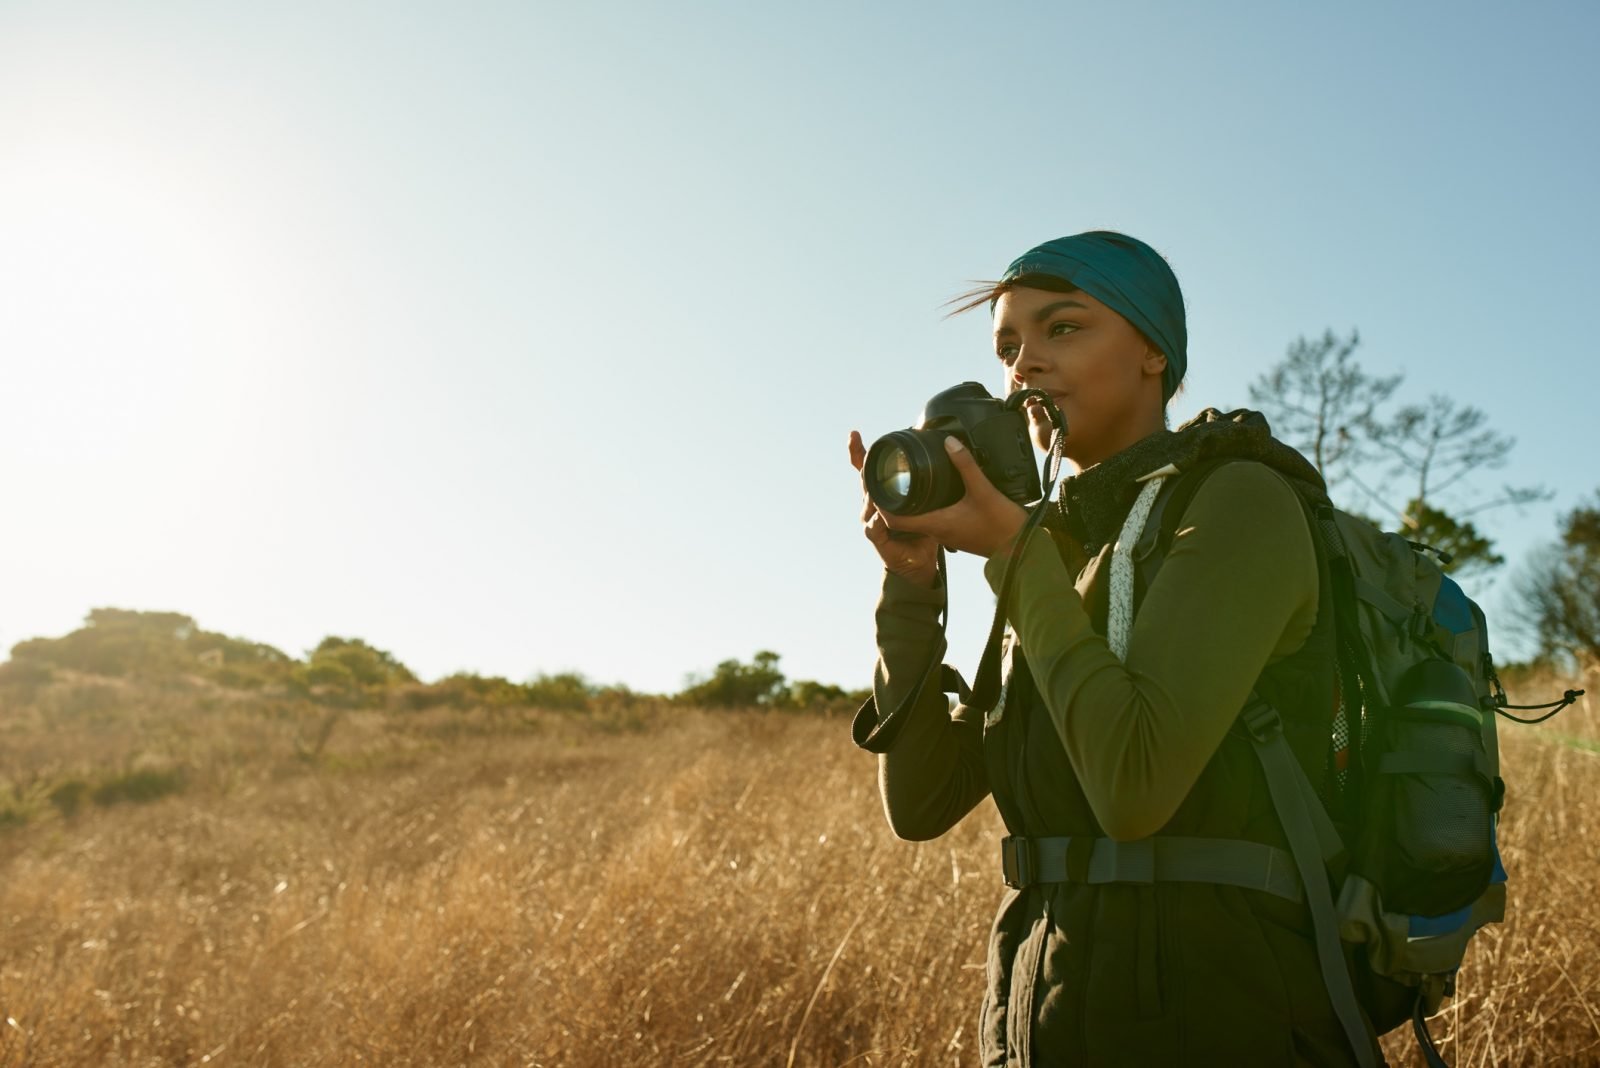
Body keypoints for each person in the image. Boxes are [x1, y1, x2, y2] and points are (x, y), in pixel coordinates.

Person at [846, 231, 1385, 1066]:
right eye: (1008, 345)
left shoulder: (1239, 500)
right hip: (1042, 1023)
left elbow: (1135, 789)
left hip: (1228, 1022)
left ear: (1153, 354)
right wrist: (913, 588)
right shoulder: (1059, 548)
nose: (1024, 365)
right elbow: (919, 804)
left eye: (1063, 329)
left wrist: (1017, 559)